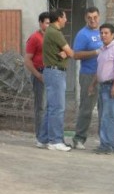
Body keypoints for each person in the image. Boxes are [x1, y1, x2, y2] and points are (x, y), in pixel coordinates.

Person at [42, 8, 75, 151]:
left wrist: (65, 53)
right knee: (58, 108)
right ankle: (55, 141)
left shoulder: (49, 31)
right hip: (56, 73)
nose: (66, 20)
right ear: (59, 18)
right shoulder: (56, 33)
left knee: (51, 108)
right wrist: (67, 53)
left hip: (51, 72)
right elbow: (71, 52)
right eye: (65, 17)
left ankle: (43, 139)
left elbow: (66, 52)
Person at [90, 23, 114, 154]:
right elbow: (99, 70)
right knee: (103, 117)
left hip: (111, 86)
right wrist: (92, 84)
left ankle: (109, 146)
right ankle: (105, 144)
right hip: (102, 87)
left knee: (108, 117)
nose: (103, 35)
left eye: (106, 33)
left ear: (113, 35)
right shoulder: (102, 49)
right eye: (101, 33)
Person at [72, 6, 103, 150]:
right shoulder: (82, 34)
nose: (92, 20)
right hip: (89, 75)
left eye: (95, 17)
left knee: (106, 109)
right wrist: (95, 52)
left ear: (99, 17)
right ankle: (79, 139)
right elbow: (76, 55)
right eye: (89, 18)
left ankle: (106, 139)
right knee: (86, 108)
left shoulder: (103, 32)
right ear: (86, 18)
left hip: (105, 76)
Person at [24, 12, 50, 148]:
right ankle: (40, 137)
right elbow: (27, 60)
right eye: (46, 23)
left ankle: (47, 136)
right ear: (40, 23)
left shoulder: (52, 37)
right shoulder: (34, 38)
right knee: (40, 107)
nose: (49, 25)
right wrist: (38, 75)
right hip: (39, 74)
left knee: (50, 106)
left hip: (51, 74)